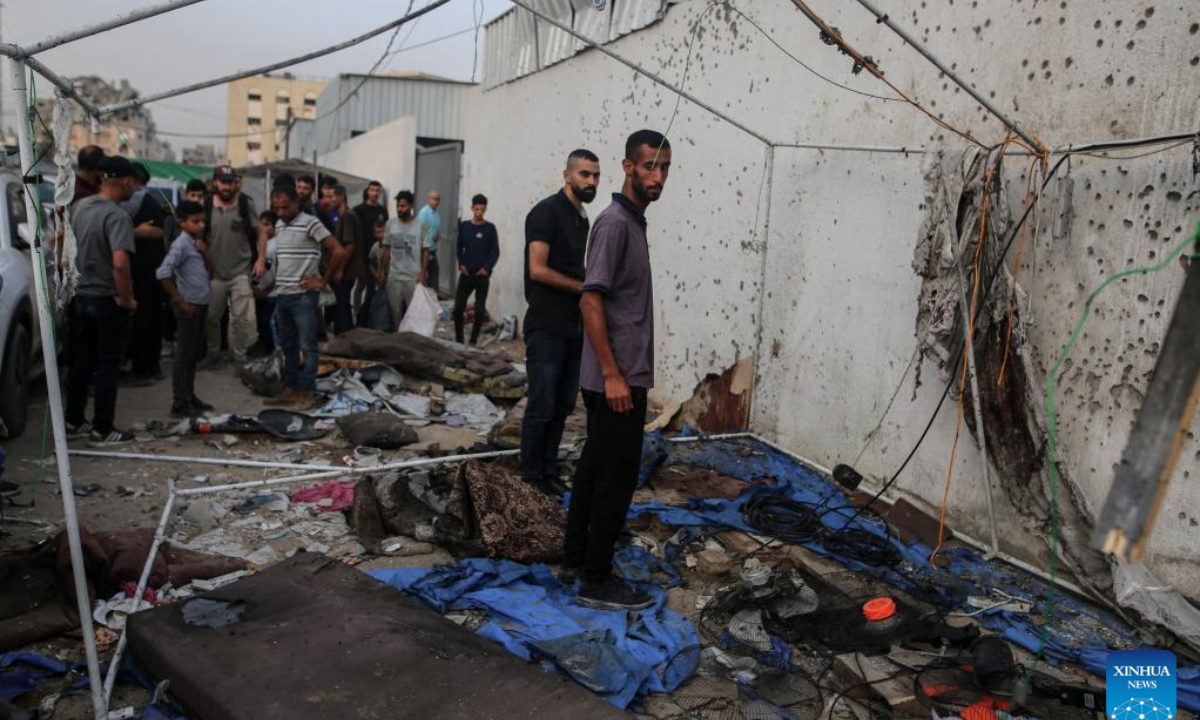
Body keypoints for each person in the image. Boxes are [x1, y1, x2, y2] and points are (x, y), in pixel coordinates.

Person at [565, 130, 671, 611]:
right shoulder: (614, 224)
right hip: (617, 379)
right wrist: (612, 374)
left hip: (619, 376)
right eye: (650, 166)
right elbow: (591, 300)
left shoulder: (632, 221)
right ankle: (596, 579)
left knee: (594, 466)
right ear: (628, 167)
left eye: (665, 167)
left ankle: (577, 556)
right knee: (617, 476)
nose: (658, 176)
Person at [520, 149, 600, 495]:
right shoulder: (546, 212)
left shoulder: (582, 218)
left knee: (563, 404)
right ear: (567, 175)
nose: (591, 181)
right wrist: (583, 287)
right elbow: (537, 270)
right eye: (584, 174)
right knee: (542, 403)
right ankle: (530, 477)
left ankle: (548, 473)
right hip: (546, 325)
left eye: (595, 175)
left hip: (573, 326)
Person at [65, 156, 139, 446]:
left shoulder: (79, 207)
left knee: (81, 361)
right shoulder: (117, 216)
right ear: (125, 182)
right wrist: (126, 300)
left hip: (80, 297)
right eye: (132, 184)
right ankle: (102, 429)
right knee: (108, 365)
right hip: (107, 301)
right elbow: (120, 264)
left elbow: (60, 242)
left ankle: (73, 420)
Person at [258, 184, 347, 408]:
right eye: (276, 208)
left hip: (304, 297)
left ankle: (308, 392)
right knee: (288, 346)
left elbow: (338, 251)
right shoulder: (279, 224)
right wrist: (260, 259)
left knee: (308, 347)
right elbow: (263, 233)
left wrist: (323, 280)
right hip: (283, 295)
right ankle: (290, 389)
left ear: (297, 202)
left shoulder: (311, 222)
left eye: (285, 207)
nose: (280, 212)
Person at [156, 201, 214, 418]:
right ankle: (179, 402)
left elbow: (211, 270)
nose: (200, 225)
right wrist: (181, 301)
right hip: (188, 306)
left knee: (193, 355)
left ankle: (190, 396)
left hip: (200, 304)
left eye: (202, 221)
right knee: (183, 356)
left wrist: (205, 252)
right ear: (181, 222)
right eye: (195, 221)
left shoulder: (195, 243)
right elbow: (163, 273)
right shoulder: (180, 244)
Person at [201, 165, 261, 365]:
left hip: (240, 272)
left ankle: (240, 357)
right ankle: (214, 354)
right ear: (215, 183)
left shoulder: (245, 204)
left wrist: (260, 260)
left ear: (236, 183)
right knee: (211, 317)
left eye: (230, 182)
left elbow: (260, 231)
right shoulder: (206, 205)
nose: (226, 186)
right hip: (215, 273)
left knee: (241, 319)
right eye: (223, 182)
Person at [123, 163, 169, 385]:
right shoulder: (152, 201)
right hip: (155, 271)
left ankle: (142, 369)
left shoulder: (129, 204)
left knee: (142, 320)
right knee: (153, 319)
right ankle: (153, 365)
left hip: (139, 271)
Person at [453, 194, 499, 345]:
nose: (479, 212)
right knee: (458, 308)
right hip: (466, 274)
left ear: (485, 209)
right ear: (472, 208)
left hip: (482, 276)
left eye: (482, 209)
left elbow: (495, 252)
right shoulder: (465, 226)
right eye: (476, 209)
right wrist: (461, 264)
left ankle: (473, 340)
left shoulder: (490, 228)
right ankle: (459, 340)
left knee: (479, 310)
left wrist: (487, 268)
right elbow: (459, 247)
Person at [378, 190, 423, 326]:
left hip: (413, 277)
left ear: (410, 206)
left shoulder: (420, 225)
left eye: (403, 206)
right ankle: (397, 340)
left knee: (413, 313)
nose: (399, 209)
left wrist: (422, 273)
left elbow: (426, 250)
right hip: (394, 277)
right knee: (394, 313)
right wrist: (381, 270)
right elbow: (386, 249)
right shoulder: (391, 224)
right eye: (398, 206)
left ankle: (410, 339)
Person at [324, 184, 359, 335]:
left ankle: (344, 338)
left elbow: (350, 245)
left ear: (341, 197)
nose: (329, 200)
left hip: (346, 271)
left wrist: (339, 269)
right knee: (342, 305)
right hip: (343, 270)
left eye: (332, 197)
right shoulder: (340, 215)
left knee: (341, 307)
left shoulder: (347, 216)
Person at [352, 180, 388, 323]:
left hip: (378, 253)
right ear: (367, 191)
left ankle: (371, 314)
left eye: (377, 191)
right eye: (372, 190)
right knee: (361, 284)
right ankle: (357, 313)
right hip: (362, 253)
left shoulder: (382, 210)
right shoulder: (358, 210)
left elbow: (387, 229)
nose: (375, 193)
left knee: (375, 284)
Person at [253, 210, 279, 354]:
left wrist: (266, 291)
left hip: (272, 293)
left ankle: (274, 352)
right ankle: (264, 347)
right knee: (261, 323)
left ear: (275, 227)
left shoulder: (278, 245)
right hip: (259, 292)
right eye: (260, 224)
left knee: (270, 323)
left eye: (267, 225)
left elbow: (281, 272)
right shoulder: (260, 244)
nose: (262, 228)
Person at [417, 190, 442, 290]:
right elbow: (419, 231)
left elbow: (434, 228)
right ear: (428, 199)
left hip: (433, 249)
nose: (436, 201)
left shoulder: (436, 213)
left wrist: (438, 235)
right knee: (421, 278)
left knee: (434, 277)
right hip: (423, 251)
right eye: (433, 199)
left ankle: (432, 299)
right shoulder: (424, 213)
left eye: (438, 199)